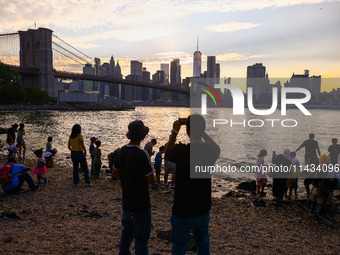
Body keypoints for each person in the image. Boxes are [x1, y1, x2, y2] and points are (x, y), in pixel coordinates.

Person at [165, 115, 220, 254]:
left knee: (179, 245)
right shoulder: (210, 151)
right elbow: (215, 146)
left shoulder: (180, 151)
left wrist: (175, 131)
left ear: (187, 131)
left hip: (181, 208)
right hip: (202, 207)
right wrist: (201, 131)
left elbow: (167, 152)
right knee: (202, 243)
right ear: (202, 130)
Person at [113, 120, 156, 255]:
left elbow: (115, 173)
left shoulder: (121, 151)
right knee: (141, 240)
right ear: (142, 137)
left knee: (126, 235)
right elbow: (151, 180)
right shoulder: (142, 154)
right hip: (141, 203)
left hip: (127, 201)